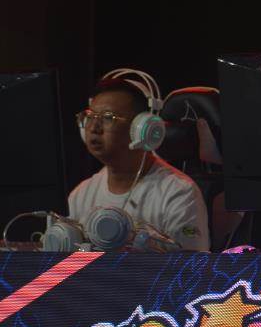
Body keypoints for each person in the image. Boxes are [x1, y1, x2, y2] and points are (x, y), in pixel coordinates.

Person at [69, 73, 210, 251]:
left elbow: (192, 266)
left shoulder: (179, 193)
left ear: (142, 128)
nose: (93, 128)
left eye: (107, 117)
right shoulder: (80, 195)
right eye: (90, 116)